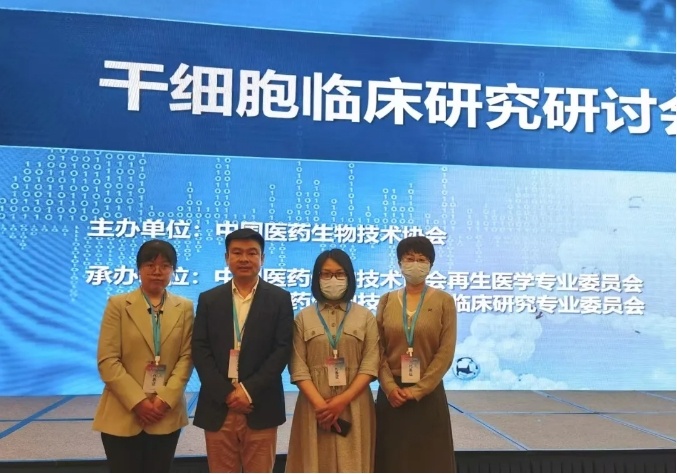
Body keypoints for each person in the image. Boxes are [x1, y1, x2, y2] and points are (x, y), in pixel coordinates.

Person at [192, 228, 294, 472]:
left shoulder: (280, 298)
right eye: (237, 252)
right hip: (218, 406)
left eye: (252, 253)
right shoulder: (209, 299)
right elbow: (200, 349)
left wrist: (247, 392)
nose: (244, 259)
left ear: (262, 258)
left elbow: (281, 350)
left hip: (260, 405)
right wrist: (227, 394)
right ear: (226, 258)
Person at [93, 239, 194, 473]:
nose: (157, 271)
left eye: (165, 266)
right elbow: (108, 360)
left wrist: (164, 400)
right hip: (122, 412)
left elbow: (187, 358)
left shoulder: (185, 307)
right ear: (138, 269)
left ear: (173, 270)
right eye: (150, 265)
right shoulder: (118, 305)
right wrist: (138, 402)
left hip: (165, 414)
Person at [286, 249, 379, 472]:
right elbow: (297, 366)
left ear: (349, 277)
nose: (333, 279)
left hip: (355, 403)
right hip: (314, 406)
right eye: (326, 274)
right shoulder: (303, 317)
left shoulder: (365, 316)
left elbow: (370, 363)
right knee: (314, 464)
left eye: (339, 273)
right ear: (317, 278)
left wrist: (341, 401)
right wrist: (322, 406)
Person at [374, 236, 457, 473]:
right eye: (409, 259)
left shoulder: (444, 301)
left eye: (421, 259)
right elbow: (377, 348)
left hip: (428, 394)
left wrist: (419, 390)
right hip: (392, 396)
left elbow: (446, 351)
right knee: (391, 460)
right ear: (400, 263)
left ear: (430, 265)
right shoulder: (387, 300)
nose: (415, 264)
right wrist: (389, 387)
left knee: (430, 461)